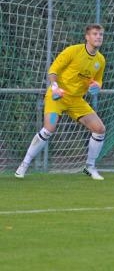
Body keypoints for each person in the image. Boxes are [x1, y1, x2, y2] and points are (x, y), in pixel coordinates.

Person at [15, 24, 107, 180]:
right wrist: (55, 87)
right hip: (57, 96)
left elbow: (98, 81)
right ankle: (24, 164)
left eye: (101, 34)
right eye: (95, 34)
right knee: (49, 128)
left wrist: (97, 86)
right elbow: (53, 71)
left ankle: (89, 167)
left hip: (76, 100)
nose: (98, 37)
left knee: (99, 129)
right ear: (87, 37)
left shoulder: (100, 60)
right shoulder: (73, 51)